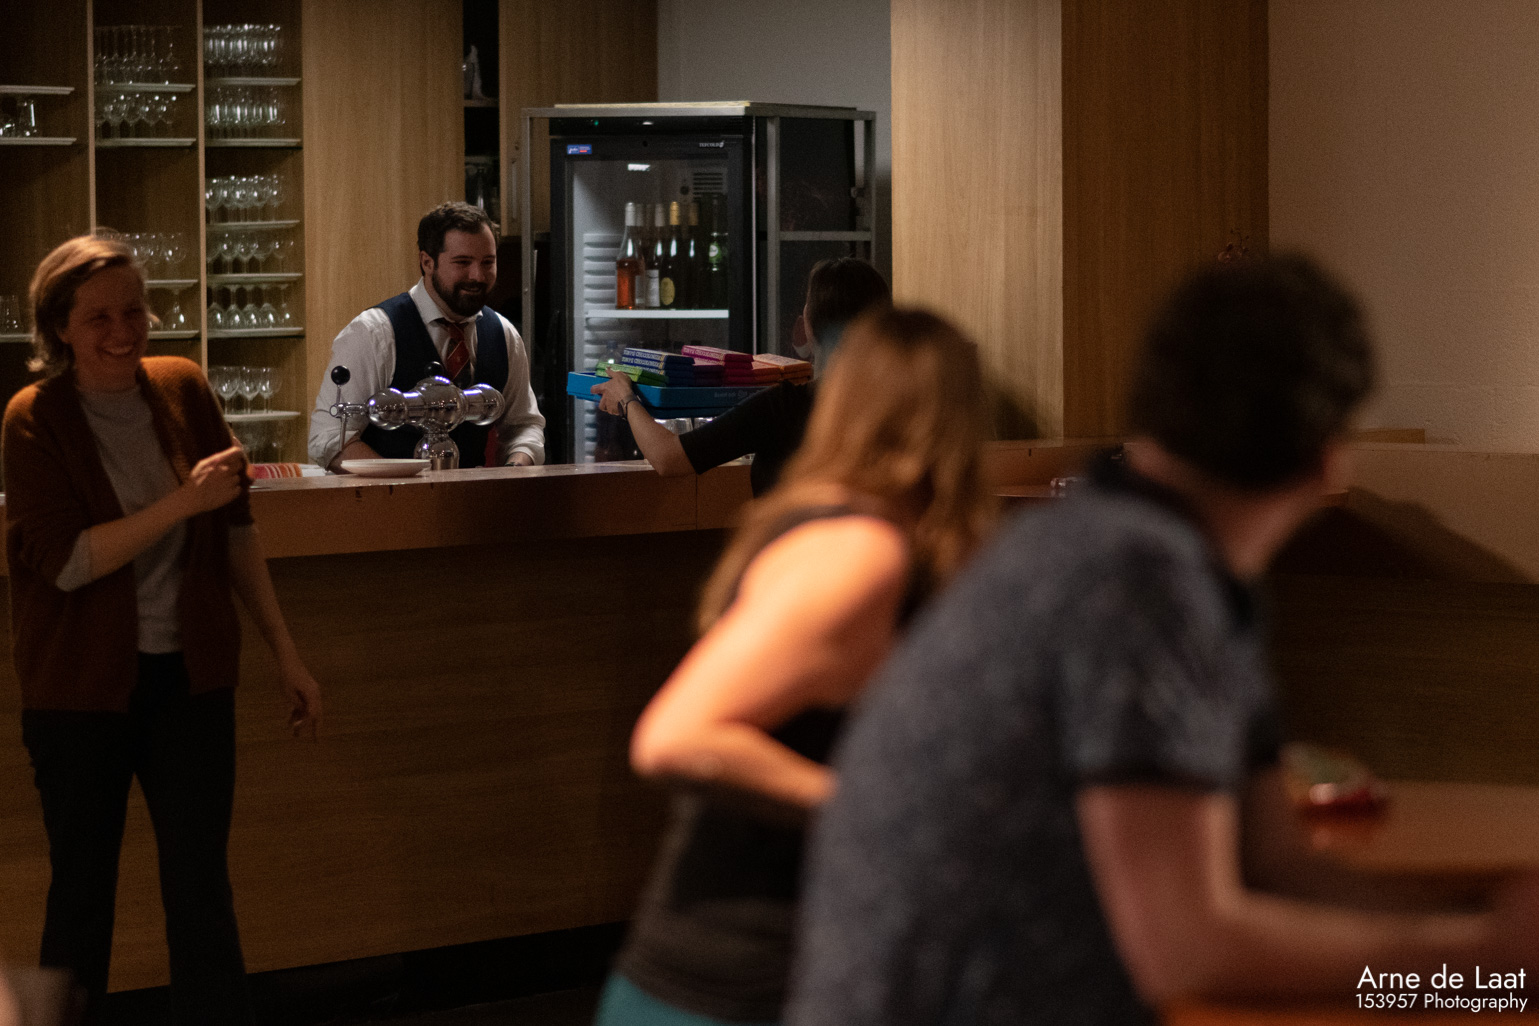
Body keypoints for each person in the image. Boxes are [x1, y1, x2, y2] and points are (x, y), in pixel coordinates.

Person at [786, 255, 1539, 1026]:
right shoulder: (1138, 577)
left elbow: (1272, 864)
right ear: (1327, 460)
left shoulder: (1121, 547)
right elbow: (1186, 947)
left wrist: (1476, 936)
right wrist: (1484, 961)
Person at [594, 309, 996, 1026]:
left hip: (777, 969)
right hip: (734, 982)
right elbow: (676, 737)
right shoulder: (857, 549)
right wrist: (869, 806)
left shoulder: (840, 527)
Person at [3, 235, 325, 1024]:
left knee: (201, 889)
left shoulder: (182, 386)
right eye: (99, 318)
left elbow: (237, 532)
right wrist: (184, 502)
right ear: (59, 328)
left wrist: (286, 653)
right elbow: (69, 562)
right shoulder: (34, 417)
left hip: (191, 678)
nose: (123, 331)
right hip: (79, 692)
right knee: (81, 896)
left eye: (135, 310)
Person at [590, 257, 890, 496]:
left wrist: (626, 399)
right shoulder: (900, 409)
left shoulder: (782, 407)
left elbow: (669, 458)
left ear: (808, 324)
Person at [306, 201, 544, 470]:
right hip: (386, 496)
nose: (477, 276)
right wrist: (405, 486)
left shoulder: (504, 333)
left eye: (487, 262)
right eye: (463, 262)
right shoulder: (374, 332)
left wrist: (515, 466)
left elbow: (524, 426)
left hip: (472, 496)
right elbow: (330, 438)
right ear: (427, 262)